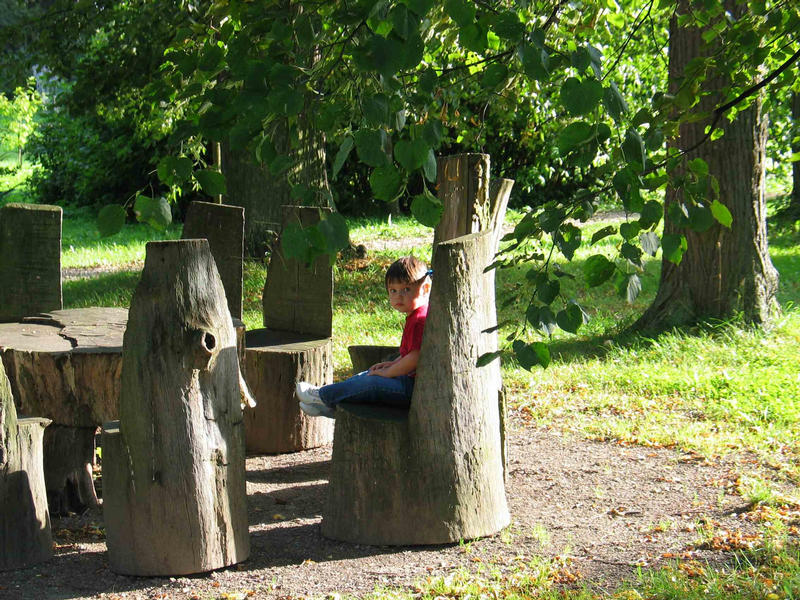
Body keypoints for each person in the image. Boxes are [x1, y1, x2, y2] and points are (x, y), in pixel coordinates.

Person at [296, 255, 432, 418]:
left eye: (406, 289)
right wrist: (391, 365)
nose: (398, 296)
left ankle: (321, 396)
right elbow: (408, 355)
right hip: (407, 381)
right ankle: (331, 408)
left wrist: (389, 373)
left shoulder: (419, 320)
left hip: (413, 390)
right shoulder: (414, 316)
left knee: (372, 383)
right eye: (393, 290)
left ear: (425, 288)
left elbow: (415, 358)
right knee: (366, 375)